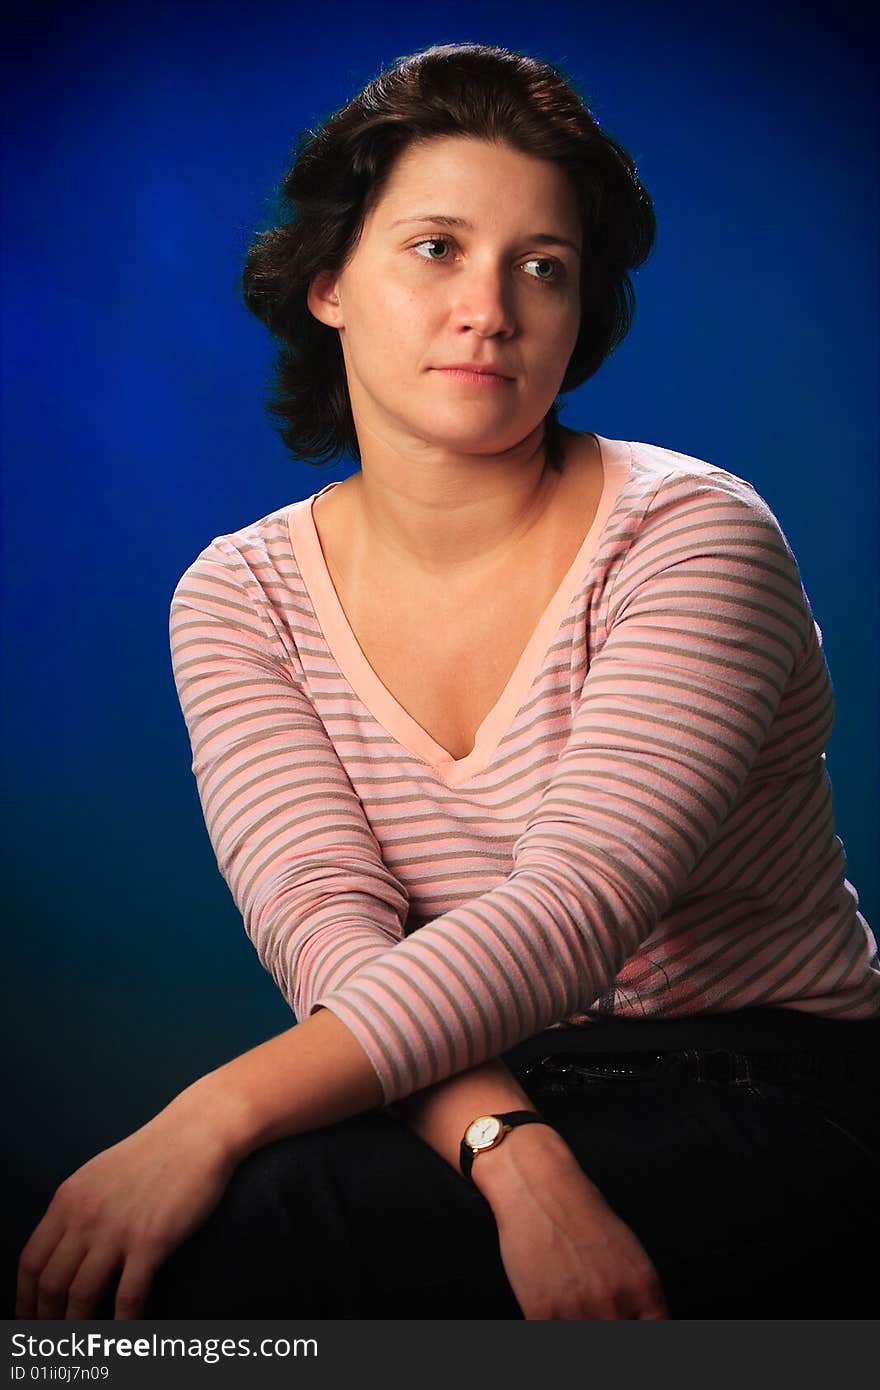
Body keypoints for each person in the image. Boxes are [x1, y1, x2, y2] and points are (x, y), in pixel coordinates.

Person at [16, 42, 880, 1323]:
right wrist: (510, 1154)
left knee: (260, 1225)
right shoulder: (237, 596)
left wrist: (205, 1113)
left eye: (544, 266)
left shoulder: (694, 535)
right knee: (172, 1274)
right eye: (435, 248)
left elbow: (573, 907)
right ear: (326, 285)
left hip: (769, 1078)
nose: (493, 306)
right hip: (467, 1069)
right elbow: (327, 926)